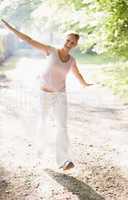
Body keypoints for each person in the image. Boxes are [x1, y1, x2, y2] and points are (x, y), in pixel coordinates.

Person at [1, 19, 93, 170]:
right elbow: (29, 40)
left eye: (72, 42)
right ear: (64, 39)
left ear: (75, 45)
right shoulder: (51, 50)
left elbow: (77, 74)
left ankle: (64, 161)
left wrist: (85, 84)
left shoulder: (71, 60)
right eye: (67, 40)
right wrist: (11, 28)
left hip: (60, 96)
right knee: (42, 124)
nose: (69, 43)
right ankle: (40, 153)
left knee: (62, 126)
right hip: (44, 94)